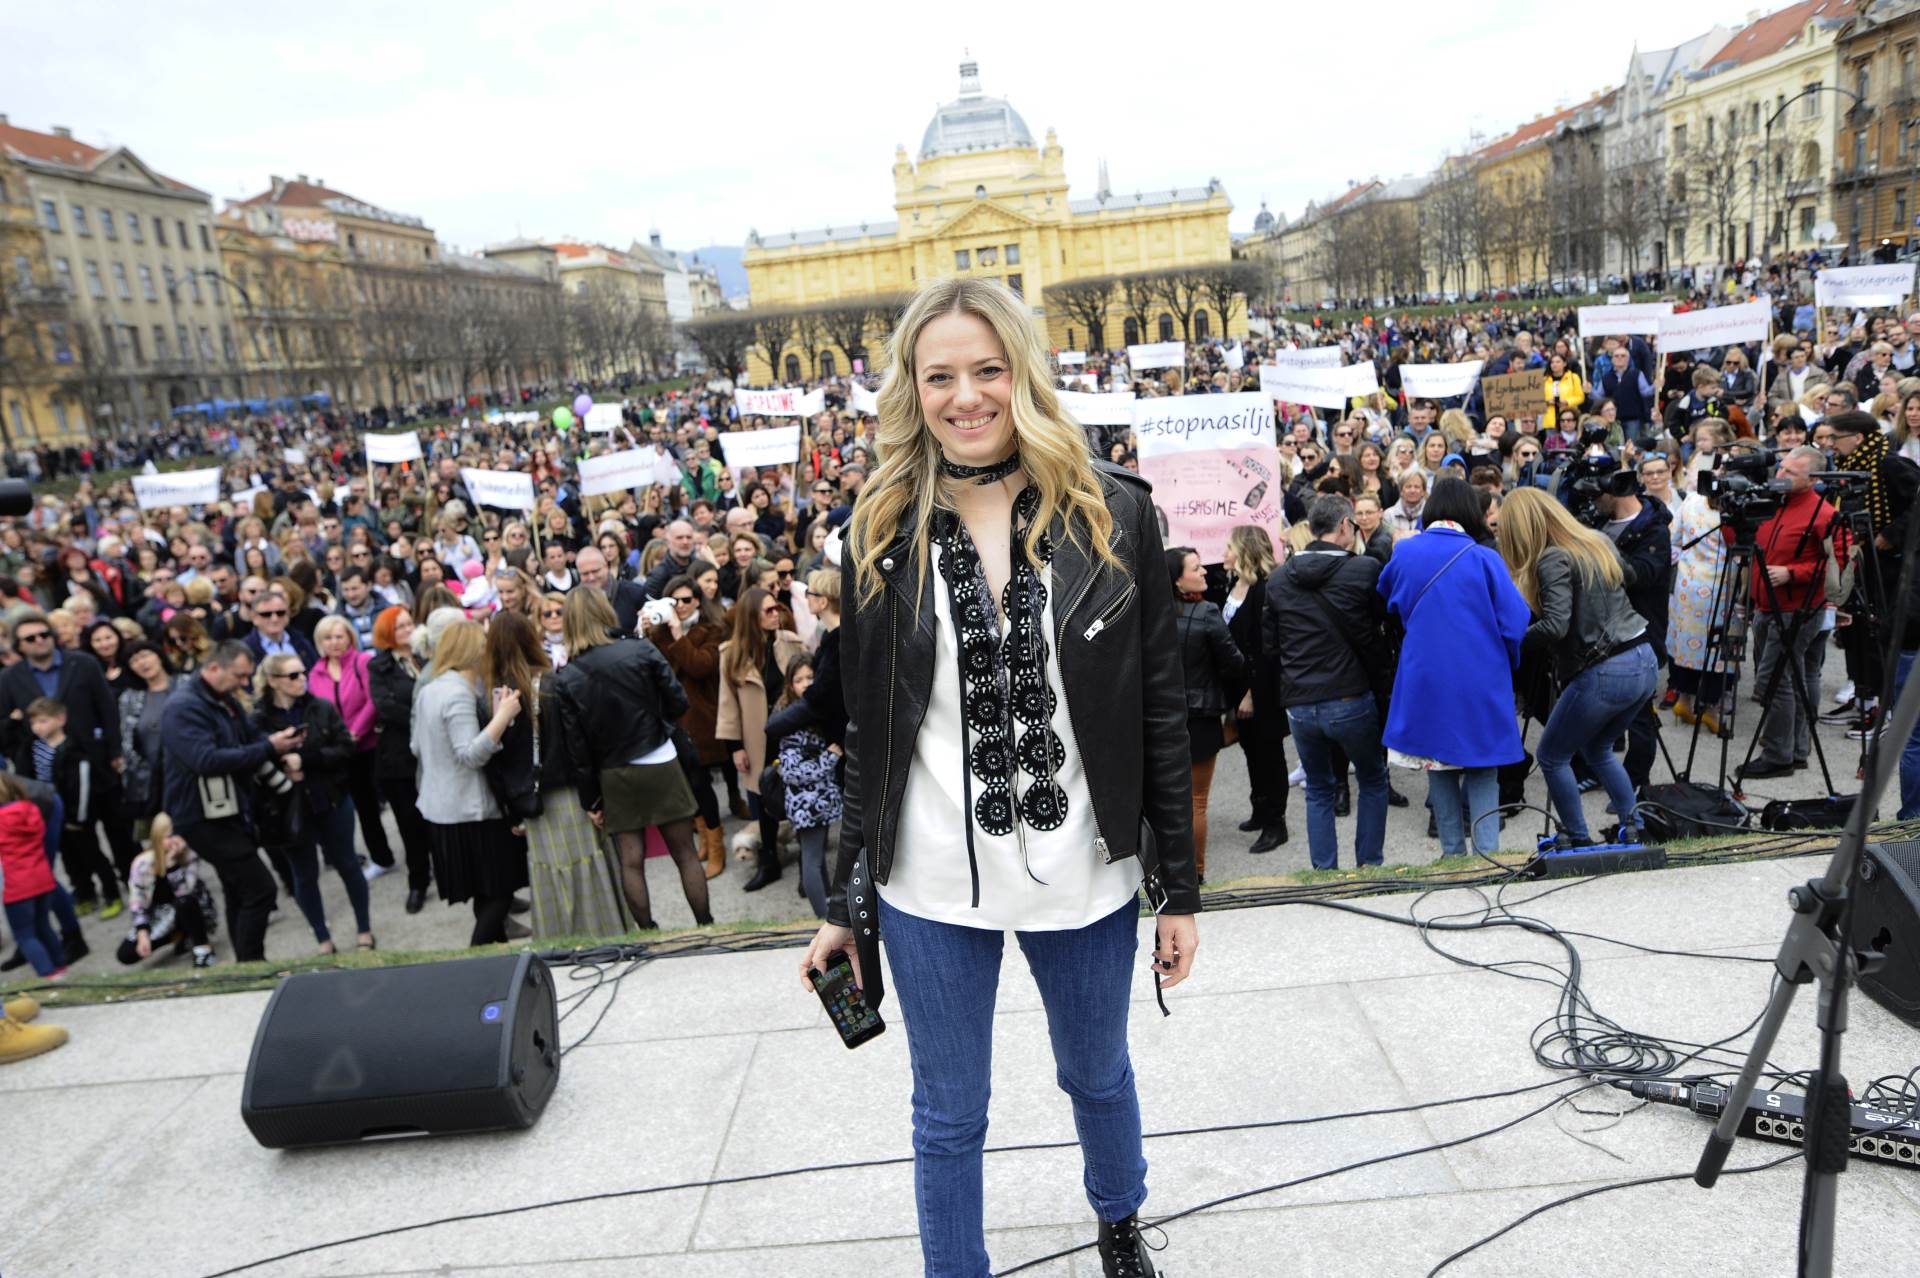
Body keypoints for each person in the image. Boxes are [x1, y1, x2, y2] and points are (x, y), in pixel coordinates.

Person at [801, 278, 1199, 1277]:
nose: (965, 395)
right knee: (946, 1112)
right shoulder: (878, 530)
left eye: (988, 369)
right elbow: (869, 731)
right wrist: (846, 900)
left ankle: (1119, 1221)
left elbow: (1159, 713)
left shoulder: (1115, 514)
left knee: (1097, 1073)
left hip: (1085, 872)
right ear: (912, 389)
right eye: (940, 375)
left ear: (1024, 374)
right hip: (929, 881)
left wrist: (1178, 891)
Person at [1378, 480, 1531, 860]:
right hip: (1480, 674)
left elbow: (1387, 598)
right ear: (1471, 512)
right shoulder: (1484, 557)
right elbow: (1515, 622)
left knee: (1438, 763)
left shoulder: (1406, 552)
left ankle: (1451, 855)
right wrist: (1507, 661)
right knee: (1483, 766)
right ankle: (1487, 856)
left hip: (1424, 674)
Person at [1498, 488, 1658, 846]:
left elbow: (1555, 625)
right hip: (1642, 658)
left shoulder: (1551, 558)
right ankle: (1634, 829)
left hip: (1605, 669)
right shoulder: (1596, 541)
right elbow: (1629, 576)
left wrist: (1506, 639)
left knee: (1552, 755)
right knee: (1599, 749)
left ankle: (1577, 837)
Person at [553, 588, 709, 930]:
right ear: (604, 612)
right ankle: (706, 926)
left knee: (631, 861)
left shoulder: (567, 676)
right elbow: (679, 703)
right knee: (684, 852)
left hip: (614, 771)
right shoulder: (639, 649)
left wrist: (590, 798)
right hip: (659, 758)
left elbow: (577, 748)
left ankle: (648, 934)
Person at [1264, 494, 1391, 869]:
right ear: (1345, 527)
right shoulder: (1365, 569)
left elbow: (1270, 646)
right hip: (1350, 696)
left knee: (1318, 788)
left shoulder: (1279, 578)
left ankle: (1324, 872)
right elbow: (1380, 628)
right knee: (1372, 779)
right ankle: (1369, 866)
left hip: (1301, 702)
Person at [159, 640, 305, 962]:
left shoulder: (223, 699)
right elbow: (205, 760)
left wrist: (279, 743)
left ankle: (245, 965)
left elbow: (246, 739)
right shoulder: (183, 707)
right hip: (201, 817)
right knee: (261, 889)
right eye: (239, 676)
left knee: (237, 889)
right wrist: (269, 748)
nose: (244, 684)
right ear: (213, 668)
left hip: (229, 811)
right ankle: (252, 964)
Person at [411, 619, 527, 945]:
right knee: (501, 891)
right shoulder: (457, 695)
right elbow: (471, 755)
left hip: (443, 810)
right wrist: (502, 717)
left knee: (485, 892)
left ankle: (496, 957)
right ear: (471, 650)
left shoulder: (430, 689)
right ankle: (476, 955)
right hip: (469, 811)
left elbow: (416, 747)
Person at [252, 652, 375, 954]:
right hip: (290, 809)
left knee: (348, 864)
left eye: (303, 673)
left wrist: (306, 760)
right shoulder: (258, 719)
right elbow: (252, 758)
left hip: (330, 799)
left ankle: (365, 930)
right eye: (293, 676)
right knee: (304, 875)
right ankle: (322, 938)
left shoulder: (320, 707)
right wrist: (279, 762)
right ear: (273, 681)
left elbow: (345, 746)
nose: (302, 680)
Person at [1738, 446, 1842, 780]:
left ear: (1813, 479)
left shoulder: (1823, 514)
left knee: (1773, 681)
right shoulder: (1773, 502)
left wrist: (1793, 572)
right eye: (1780, 469)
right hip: (1766, 606)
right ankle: (1795, 750)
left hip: (1796, 609)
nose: (1780, 476)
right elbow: (1743, 540)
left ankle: (1778, 755)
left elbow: (1839, 563)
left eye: (1790, 473)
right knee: (1791, 679)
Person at [715, 585, 807, 892]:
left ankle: (810, 867)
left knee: (802, 795)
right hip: (757, 739)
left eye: (777, 608)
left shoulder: (791, 643)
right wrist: (735, 747)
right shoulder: (731, 654)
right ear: (752, 617)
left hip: (792, 733)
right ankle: (769, 862)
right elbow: (727, 704)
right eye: (768, 610)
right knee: (765, 801)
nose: (776, 614)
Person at [1592, 467, 1673, 794]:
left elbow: (1643, 574)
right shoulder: (1598, 521)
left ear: (1613, 491)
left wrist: (1597, 549)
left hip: (1640, 631)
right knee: (1598, 708)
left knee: (1639, 712)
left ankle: (1636, 780)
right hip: (1599, 631)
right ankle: (1599, 769)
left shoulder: (1652, 529)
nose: (1591, 502)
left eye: (1595, 495)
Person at [1169, 545, 1246, 884]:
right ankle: (1196, 872)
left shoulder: (1148, 614)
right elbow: (1234, 663)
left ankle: (1168, 869)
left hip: (1160, 717)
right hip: (1200, 718)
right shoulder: (1208, 613)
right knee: (1197, 801)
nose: (1204, 572)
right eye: (1196, 568)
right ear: (1177, 579)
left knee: (1167, 800)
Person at [646, 573, 730, 878]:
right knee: (688, 783)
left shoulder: (711, 630)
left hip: (702, 719)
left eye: (687, 600)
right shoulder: (659, 634)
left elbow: (699, 666)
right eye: (674, 600)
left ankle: (717, 847)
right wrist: (648, 633)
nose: (680, 606)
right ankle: (705, 840)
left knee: (701, 783)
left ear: (698, 601)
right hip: (672, 721)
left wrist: (678, 633)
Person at [307, 615, 394, 879]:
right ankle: (381, 857)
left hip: (370, 746)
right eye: (328, 637)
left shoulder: (362, 662)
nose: (334, 642)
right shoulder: (315, 673)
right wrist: (340, 739)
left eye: (339, 636)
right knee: (365, 808)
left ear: (350, 637)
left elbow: (371, 700)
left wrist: (355, 731)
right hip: (343, 753)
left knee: (396, 800)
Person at [1222, 526, 1288, 853]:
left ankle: (1276, 823)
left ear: (1244, 550)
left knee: (1269, 755)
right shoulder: (1234, 584)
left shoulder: (1263, 590)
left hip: (1261, 688)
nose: (1224, 554)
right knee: (1251, 752)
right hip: (1239, 686)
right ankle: (1260, 810)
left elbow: (1264, 649)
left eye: (1229, 548)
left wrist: (1251, 693)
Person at [367, 607, 433, 912]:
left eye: (409, 623)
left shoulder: (427, 655)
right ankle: (418, 881)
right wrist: (425, 720)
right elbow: (385, 706)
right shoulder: (378, 666)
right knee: (409, 824)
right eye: (399, 626)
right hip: (400, 756)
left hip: (433, 752)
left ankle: (447, 873)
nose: (407, 630)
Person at [775, 653, 842, 919]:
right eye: (798, 679)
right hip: (806, 804)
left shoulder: (816, 711)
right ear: (790, 685)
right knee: (812, 862)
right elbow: (791, 771)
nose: (805, 683)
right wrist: (830, 757)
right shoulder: (790, 717)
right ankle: (823, 917)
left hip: (820, 802)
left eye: (810, 677)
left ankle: (827, 911)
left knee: (819, 861)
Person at [118, 813, 215, 969]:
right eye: (169, 836)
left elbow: (186, 893)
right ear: (157, 838)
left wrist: (172, 866)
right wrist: (143, 934)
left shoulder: (190, 855)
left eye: (178, 834)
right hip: (160, 914)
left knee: (184, 903)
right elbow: (137, 901)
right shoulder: (142, 864)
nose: (174, 840)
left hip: (193, 907)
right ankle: (179, 935)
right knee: (125, 954)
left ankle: (202, 948)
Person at [0, 772, 65, 978]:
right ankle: (61, 968)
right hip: (42, 879)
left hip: (18, 886)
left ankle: (47, 975)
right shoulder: (31, 809)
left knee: (24, 935)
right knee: (44, 926)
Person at [574, 546, 647, 636]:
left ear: (606, 567)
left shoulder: (634, 592)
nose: (591, 577)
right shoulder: (574, 602)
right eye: (585, 573)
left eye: (595, 571)